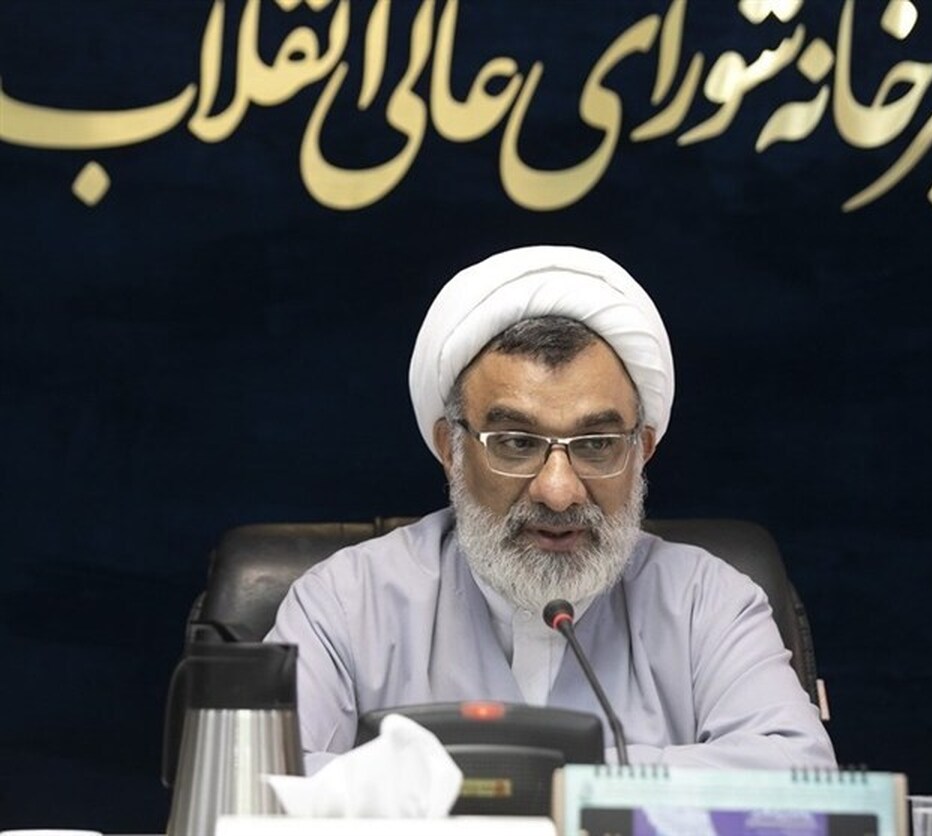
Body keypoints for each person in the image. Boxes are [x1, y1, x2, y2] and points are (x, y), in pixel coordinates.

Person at [266, 245, 836, 773]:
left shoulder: (706, 604)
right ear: (451, 450)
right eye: (516, 443)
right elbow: (257, 782)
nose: (558, 492)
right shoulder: (345, 603)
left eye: (596, 445)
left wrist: (509, 782)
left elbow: (800, 777)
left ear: (641, 450)